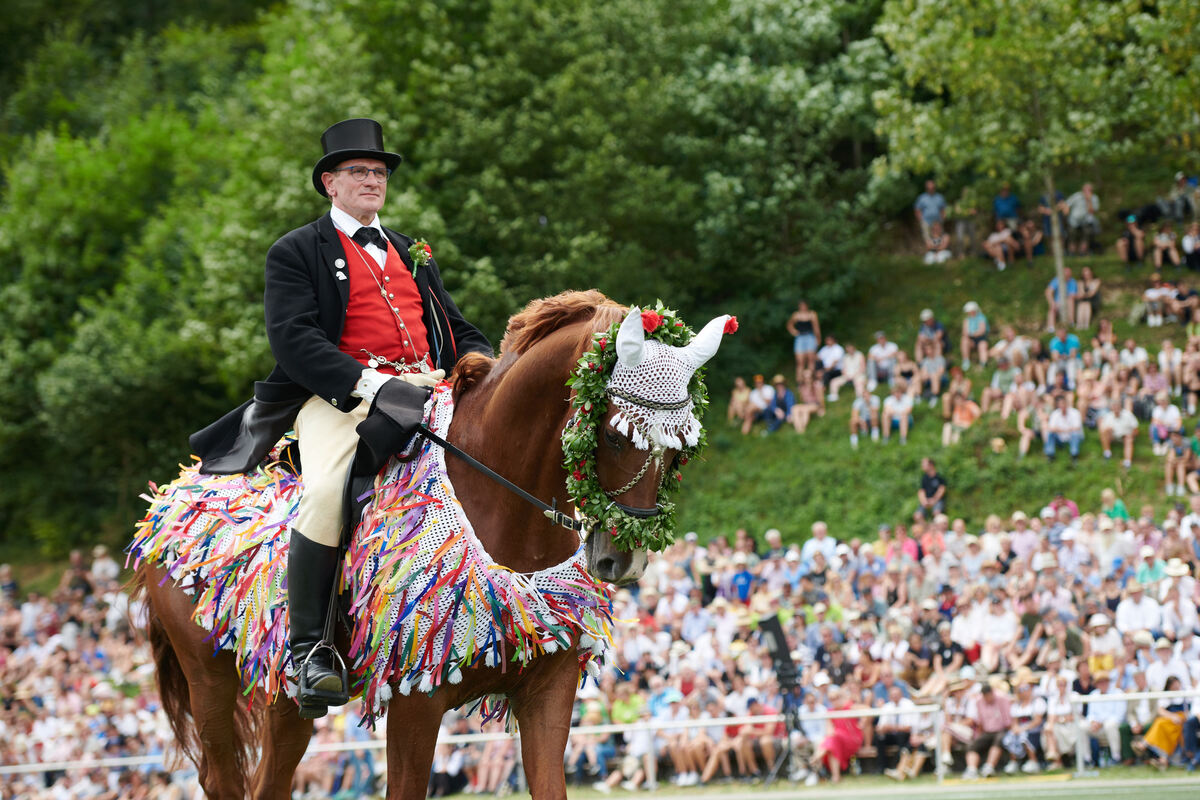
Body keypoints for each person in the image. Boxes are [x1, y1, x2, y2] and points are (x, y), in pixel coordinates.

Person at [187, 118, 492, 714]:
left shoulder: (411, 249)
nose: (372, 180)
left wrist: (484, 367)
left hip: (430, 390)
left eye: (379, 172)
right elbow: (294, 342)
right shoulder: (296, 250)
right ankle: (311, 651)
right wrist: (370, 383)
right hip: (340, 399)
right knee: (327, 490)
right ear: (330, 183)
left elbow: (454, 327)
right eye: (359, 172)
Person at [786, 301, 821, 383]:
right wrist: (794, 332)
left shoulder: (812, 314)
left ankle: (811, 379)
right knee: (800, 361)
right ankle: (800, 381)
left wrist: (818, 338)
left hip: (810, 336)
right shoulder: (796, 315)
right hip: (800, 337)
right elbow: (789, 325)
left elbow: (816, 327)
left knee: (811, 360)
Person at [1044, 392, 1083, 464]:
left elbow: (1077, 427)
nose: (1062, 406)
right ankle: (1050, 454)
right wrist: (1063, 430)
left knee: (1075, 434)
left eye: (1063, 403)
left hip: (1073, 437)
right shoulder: (1055, 414)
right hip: (1061, 437)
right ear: (1058, 405)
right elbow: (1051, 428)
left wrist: (1062, 430)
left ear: (1067, 403)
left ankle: (1074, 455)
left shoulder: (1075, 412)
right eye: (1060, 404)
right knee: (1050, 434)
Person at [1063, 183, 1101, 256]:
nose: (1086, 192)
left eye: (1088, 190)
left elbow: (1092, 211)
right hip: (1073, 220)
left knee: (1086, 236)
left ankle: (1082, 252)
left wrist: (1089, 200)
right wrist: (1066, 210)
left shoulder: (1094, 198)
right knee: (1072, 235)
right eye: (1085, 190)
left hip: (1086, 221)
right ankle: (1072, 252)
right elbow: (1067, 204)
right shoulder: (1077, 196)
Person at [1045, 267, 1078, 332]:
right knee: (1052, 309)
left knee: (1070, 301)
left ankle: (1071, 322)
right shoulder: (1056, 280)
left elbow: (1072, 295)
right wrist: (1052, 302)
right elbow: (1048, 291)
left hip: (1068, 302)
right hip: (1057, 302)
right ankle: (1051, 328)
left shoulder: (1072, 282)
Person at [882, 380, 914, 445]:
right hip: (894, 420)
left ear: (901, 392)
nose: (897, 394)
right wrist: (898, 412)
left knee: (904, 416)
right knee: (885, 415)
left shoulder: (908, 399)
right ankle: (886, 436)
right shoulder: (888, 400)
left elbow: (908, 411)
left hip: (906, 420)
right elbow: (887, 410)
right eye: (895, 392)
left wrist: (895, 412)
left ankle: (903, 438)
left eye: (898, 392)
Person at [960, 301, 989, 370]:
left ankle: (983, 364)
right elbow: (964, 332)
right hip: (971, 339)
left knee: (983, 345)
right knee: (964, 340)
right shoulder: (967, 320)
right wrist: (971, 334)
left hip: (981, 339)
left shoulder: (981, 317)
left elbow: (982, 331)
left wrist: (973, 334)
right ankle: (966, 360)